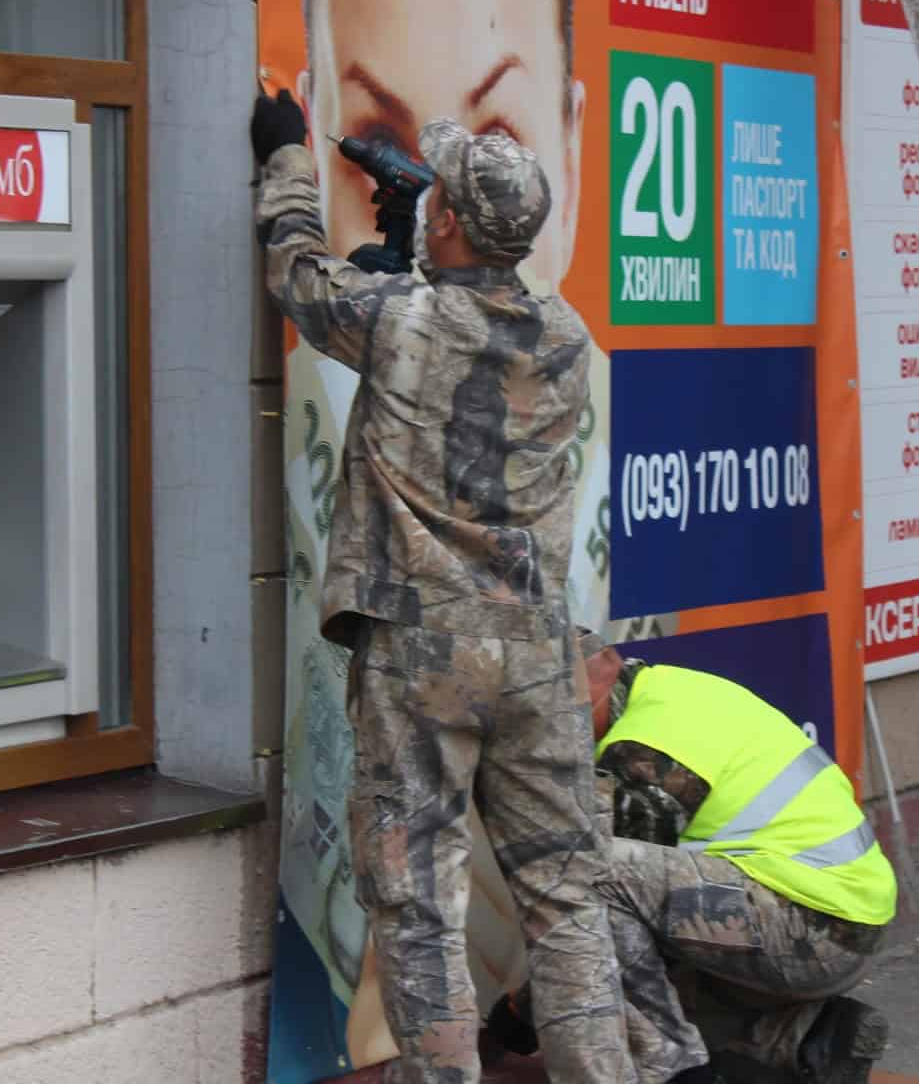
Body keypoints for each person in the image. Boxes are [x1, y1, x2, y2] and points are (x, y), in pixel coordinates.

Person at [252, 89, 634, 1082]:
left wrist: (287, 157)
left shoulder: (397, 320)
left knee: (419, 903)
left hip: (423, 655)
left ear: (453, 218)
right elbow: (460, 322)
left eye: (440, 202)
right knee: (567, 894)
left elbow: (297, 273)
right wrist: (420, 257)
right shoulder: (566, 335)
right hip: (539, 655)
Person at [483, 635, 897, 1083]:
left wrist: (516, 1017)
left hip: (809, 927)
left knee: (589, 878)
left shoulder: (643, 752)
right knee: (637, 956)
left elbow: (581, 902)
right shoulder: (673, 690)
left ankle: (676, 1070)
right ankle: (804, 1039)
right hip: (838, 920)